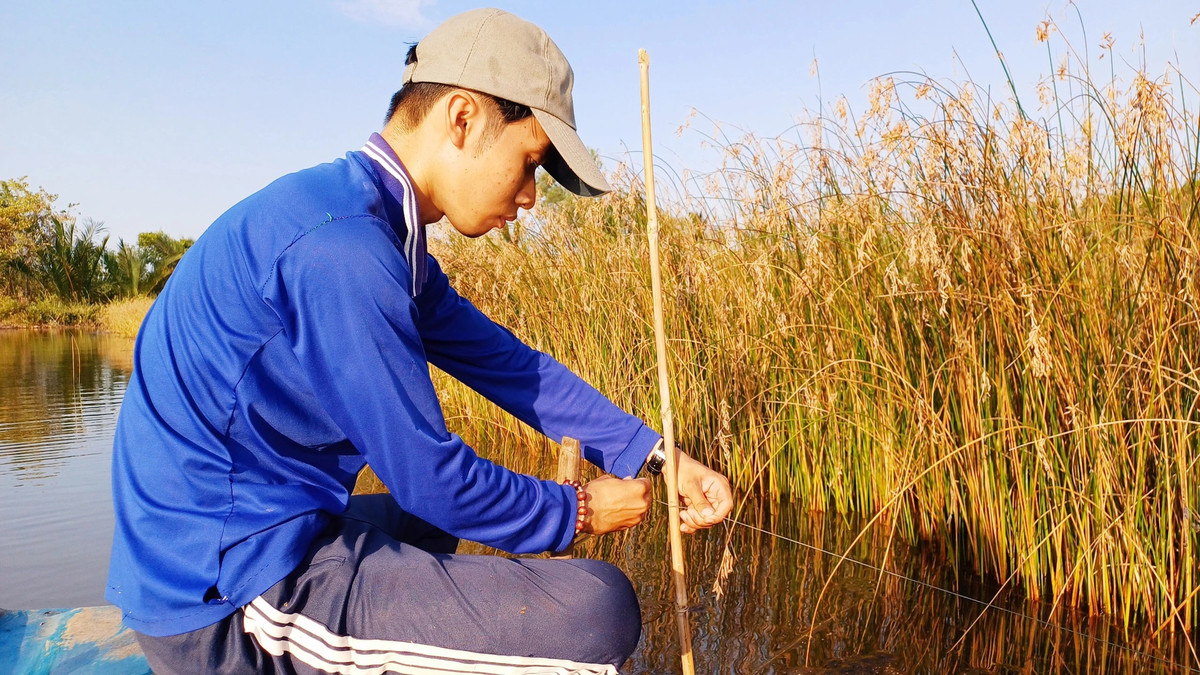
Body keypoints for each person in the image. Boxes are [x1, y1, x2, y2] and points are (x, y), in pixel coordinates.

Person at [106, 8, 732, 674]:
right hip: (222, 594)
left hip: (261, 525)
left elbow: (511, 367)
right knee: (599, 610)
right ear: (462, 119)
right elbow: (432, 477)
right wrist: (577, 509)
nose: (528, 197)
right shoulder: (343, 249)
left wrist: (658, 456)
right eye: (529, 164)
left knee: (424, 527)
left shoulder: (369, 221)